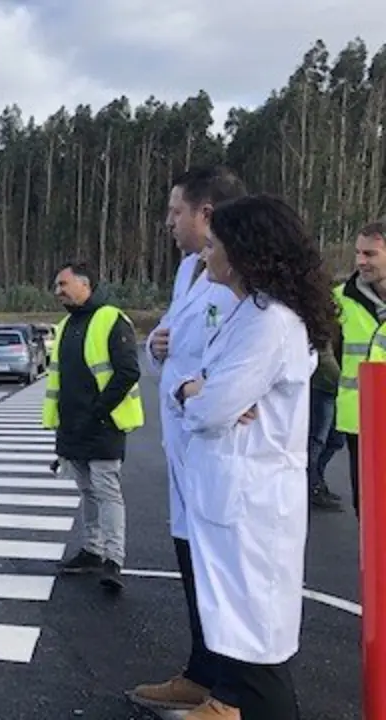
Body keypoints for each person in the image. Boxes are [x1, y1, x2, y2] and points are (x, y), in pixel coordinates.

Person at [167, 193, 338, 719]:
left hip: (252, 507)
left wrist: (198, 392)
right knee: (243, 647)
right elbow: (213, 395)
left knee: (258, 659)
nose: (205, 254)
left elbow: (213, 406)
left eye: (214, 245)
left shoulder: (270, 324)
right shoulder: (251, 313)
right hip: (230, 500)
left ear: (245, 253)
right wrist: (199, 391)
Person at [129, 166, 247, 709]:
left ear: (207, 213)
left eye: (177, 211)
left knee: (224, 577)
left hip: (221, 447)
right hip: (184, 443)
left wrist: (214, 389)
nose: (169, 222)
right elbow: (172, 340)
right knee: (190, 562)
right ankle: (201, 672)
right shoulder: (188, 271)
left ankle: (229, 692)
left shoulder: (246, 277)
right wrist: (158, 346)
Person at [43, 261, 143, 591]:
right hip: (74, 426)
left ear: (85, 285)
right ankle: (92, 550)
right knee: (87, 491)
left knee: (106, 490)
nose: (57, 291)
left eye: (63, 284)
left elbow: (128, 371)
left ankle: (114, 559)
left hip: (103, 423)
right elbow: (60, 380)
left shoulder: (111, 319)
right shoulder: (66, 325)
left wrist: (99, 412)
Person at [332, 221, 386, 518]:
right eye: (358, 253)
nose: (361, 262)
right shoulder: (341, 299)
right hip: (362, 422)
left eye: (371, 254)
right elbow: (324, 350)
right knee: (367, 510)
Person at [306, 342, 345, 511]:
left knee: (336, 440)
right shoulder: (325, 321)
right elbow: (324, 356)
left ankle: (317, 480)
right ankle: (312, 487)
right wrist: (344, 383)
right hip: (323, 387)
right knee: (317, 441)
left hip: (339, 390)